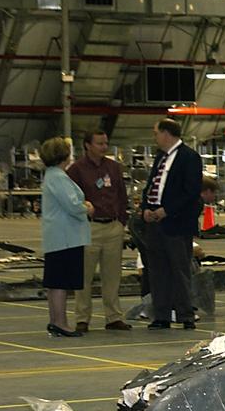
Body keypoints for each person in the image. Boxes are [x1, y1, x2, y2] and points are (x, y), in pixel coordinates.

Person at [140, 118, 203, 330]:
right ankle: (162, 315)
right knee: (157, 271)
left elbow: (191, 191)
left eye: (156, 133)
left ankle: (186, 314)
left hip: (176, 224)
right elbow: (151, 186)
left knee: (180, 270)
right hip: (155, 224)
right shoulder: (160, 157)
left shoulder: (189, 157)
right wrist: (145, 208)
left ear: (167, 134)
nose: (154, 137)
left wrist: (167, 210)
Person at [66, 130, 130, 332]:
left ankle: (113, 317)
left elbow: (121, 195)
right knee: (84, 276)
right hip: (88, 227)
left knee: (112, 276)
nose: (104, 147)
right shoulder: (76, 170)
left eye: (105, 143)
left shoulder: (113, 167)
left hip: (112, 227)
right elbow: (71, 199)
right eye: (99, 143)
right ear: (87, 145)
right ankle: (82, 318)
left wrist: (121, 221)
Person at [40, 137, 91, 337]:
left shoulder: (51, 176)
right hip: (66, 237)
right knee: (61, 282)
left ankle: (55, 320)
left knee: (54, 282)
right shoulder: (59, 177)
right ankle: (61, 322)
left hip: (56, 237)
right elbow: (71, 205)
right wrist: (86, 207)